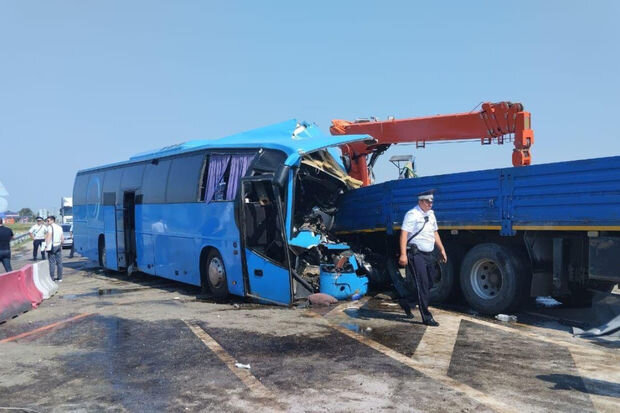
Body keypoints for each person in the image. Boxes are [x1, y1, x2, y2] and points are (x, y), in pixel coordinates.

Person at [397, 189, 447, 327]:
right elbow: (404, 234)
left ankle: (407, 302)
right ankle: (426, 316)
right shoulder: (412, 214)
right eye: (427, 202)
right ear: (420, 201)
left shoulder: (431, 214)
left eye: (432, 202)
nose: (430, 204)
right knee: (423, 284)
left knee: (430, 282)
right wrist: (403, 254)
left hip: (429, 254)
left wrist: (441, 249)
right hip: (415, 254)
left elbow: (435, 233)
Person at [45, 216, 64, 282]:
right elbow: (62, 238)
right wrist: (61, 245)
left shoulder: (50, 227)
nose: (47, 222)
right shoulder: (59, 227)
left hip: (52, 246)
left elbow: (49, 237)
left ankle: (52, 278)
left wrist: (46, 246)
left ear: (52, 220)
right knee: (59, 263)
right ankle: (60, 278)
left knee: (52, 262)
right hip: (58, 245)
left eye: (48, 221)